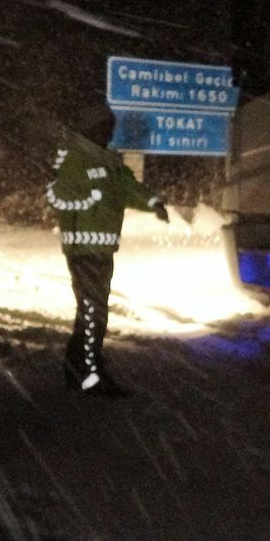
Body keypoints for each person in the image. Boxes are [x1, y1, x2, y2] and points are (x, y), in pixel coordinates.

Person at [48, 106, 169, 395]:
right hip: (84, 248)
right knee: (93, 313)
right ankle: (90, 376)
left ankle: (79, 369)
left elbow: (128, 187)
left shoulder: (108, 161)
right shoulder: (75, 156)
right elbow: (58, 195)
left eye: (111, 126)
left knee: (91, 312)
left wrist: (153, 202)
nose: (110, 132)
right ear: (91, 128)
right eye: (105, 126)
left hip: (101, 247)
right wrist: (88, 199)